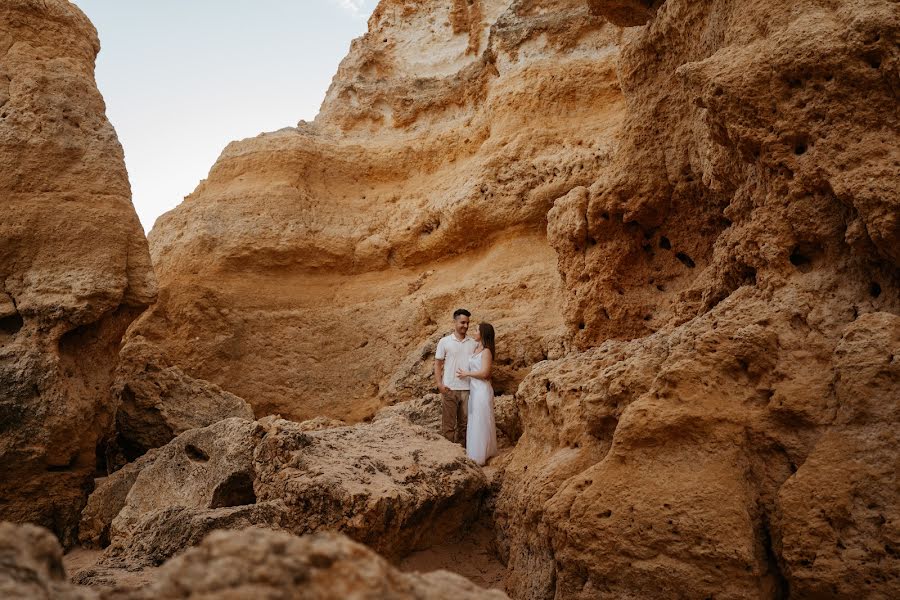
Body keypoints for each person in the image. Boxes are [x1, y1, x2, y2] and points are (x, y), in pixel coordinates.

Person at [456, 322, 498, 466]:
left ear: (483, 334)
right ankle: (474, 453)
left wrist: (467, 373)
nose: (473, 331)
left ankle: (480, 456)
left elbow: (485, 373)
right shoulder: (476, 348)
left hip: (481, 390)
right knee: (474, 420)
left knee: (481, 420)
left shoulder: (486, 351)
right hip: (474, 390)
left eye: (476, 330)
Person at [434, 308, 477, 444]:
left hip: (467, 389)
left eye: (467, 323)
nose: (466, 326)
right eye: (462, 322)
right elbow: (438, 364)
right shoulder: (444, 342)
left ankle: (464, 454)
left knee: (465, 425)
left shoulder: (473, 343)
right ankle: (450, 455)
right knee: (448, 426)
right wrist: (439, 384)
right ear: (455, 322)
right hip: (449, 388)